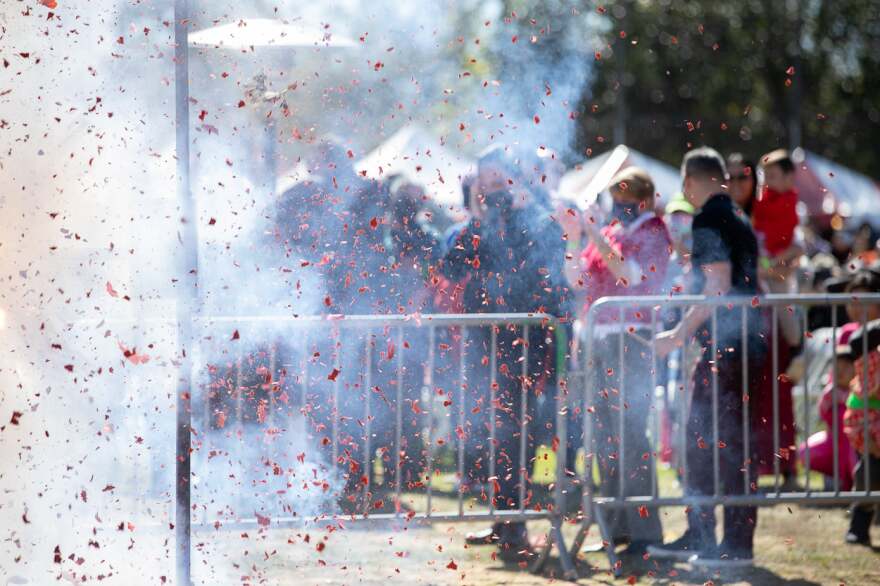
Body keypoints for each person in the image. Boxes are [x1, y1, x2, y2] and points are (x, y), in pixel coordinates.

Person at [439, 145, 568, 562]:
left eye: (496, 182)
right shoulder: (479, 225)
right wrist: (480, 219)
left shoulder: (537, 218)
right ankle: (503, 520)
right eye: (484, 182)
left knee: (518, 434)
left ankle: (517, 523)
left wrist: (511, 215)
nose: (490, 189)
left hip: (527, 345)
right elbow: (452, 266)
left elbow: (546, 267)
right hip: (485, 345)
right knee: (493, 435)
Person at [651, 147, 762, 568]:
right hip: (743, 345)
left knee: (713, 443)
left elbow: (718, 284)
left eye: (685, 184)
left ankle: (729, 545)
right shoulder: (738, 218)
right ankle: (705, 536)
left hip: (729, 349)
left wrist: (680, 333)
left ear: (692, 181)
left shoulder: (710, 219)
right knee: (719, 443)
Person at [559, 166, 670, 556]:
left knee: (632, 435)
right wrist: (575, 237)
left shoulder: (653, 231)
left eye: (624, 196)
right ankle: (615, 526)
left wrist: (591, 232)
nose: (617, 204)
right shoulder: (608, 233)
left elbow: (628, 274)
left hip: (630, 341)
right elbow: (576, 279)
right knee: (604, 437)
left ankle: (644, 533)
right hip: (597, 343)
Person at [798, 323, 859, 491]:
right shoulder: (830, 393)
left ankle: (854, 487)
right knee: (806, 452)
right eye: (837, 366)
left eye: (846, 366)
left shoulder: (861, 392)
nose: (841, 371)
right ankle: (835, 481)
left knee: (852, 457)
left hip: (857, 444)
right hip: (834, 443)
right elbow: (823, 414)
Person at [843, 316, 880, 546]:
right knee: (869, 477)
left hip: (870, 428)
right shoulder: (870, 362)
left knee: (869, 476)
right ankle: (859, 527)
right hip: (870, 430)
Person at [755, 149, 803, 293]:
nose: (767, 182)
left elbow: (798, 246)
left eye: (772, 176)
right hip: (763, 265)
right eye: (766, 176)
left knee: (784, 311)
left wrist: (780, 260)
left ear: (789, 177)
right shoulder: (761, 201)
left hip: (781, 268)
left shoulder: (793, 204)